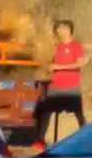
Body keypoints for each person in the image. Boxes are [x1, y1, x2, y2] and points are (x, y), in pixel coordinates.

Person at [33, 20, 88, 148]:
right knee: (44, 112)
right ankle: (40, 141)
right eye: (58, 29)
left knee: (79, 115)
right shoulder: (56, 47)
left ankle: (86, 139)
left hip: (71, 87)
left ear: (69, 30)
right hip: (55, 86)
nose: (59, 31)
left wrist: (59, 67)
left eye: (62, 28)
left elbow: (80, 63)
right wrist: (49, 67)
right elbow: (49, 64)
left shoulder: (76, 46)